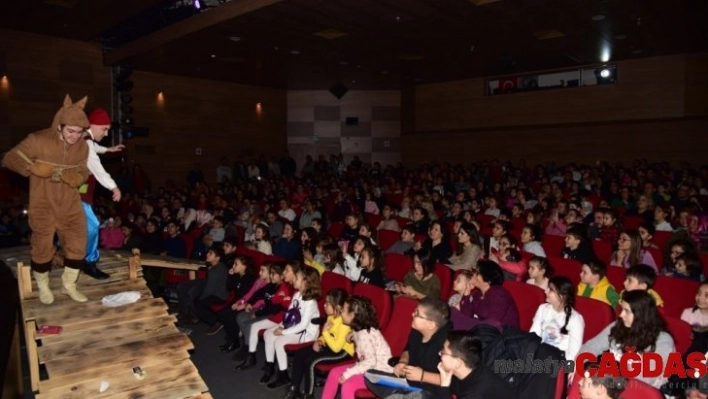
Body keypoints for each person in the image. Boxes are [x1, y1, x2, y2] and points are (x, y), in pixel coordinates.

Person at [2, 94, 91, 304]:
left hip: (70, 205)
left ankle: (69, 285)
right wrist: (31, 167)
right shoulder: (38, 140)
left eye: (79, 132)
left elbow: (84, 171)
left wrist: (77, 177)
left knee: (78, 244)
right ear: (59, 126)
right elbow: (8, 158)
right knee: (42, 248)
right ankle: (43, 286)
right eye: (70, 131)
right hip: (43, 205)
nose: (75, 136)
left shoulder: (83, 146)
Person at [577, 290, 675, 389]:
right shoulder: (619, 325)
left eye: (626, 311)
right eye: (622, 309)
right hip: (612, 384)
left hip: (641, 391)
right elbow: (592, 346)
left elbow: (644, 378)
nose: (621, 315)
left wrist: (603, 382)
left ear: (640, 315)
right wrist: (578, 366)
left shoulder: (662, 341)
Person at [365, 297, 453, 398]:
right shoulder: (417, 330)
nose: (412, 314)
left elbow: (451, 379)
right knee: (370, 375)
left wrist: (423, 376)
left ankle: (400, 394)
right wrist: (403, 362)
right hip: (408, 382)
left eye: (417, 314)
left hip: (429, 390)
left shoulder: (447, 343)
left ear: (431, 325)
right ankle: (400, 393)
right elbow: (407, 350)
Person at [78, 108, 125, 279]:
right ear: (93, 125)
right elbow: (97, 167)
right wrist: (114, 187)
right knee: (92, 226)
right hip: (77, 194)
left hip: (76, 192)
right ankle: (89, 262)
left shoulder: (83, 137)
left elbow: (93, 147)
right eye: (104, 129)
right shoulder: (86, 143)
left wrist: (109, 150)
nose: (106, 133)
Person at [284, 288, 353, 399]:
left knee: (311, 361)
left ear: (338, 308)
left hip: (342, 352)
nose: (324, 305)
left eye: (328, 303)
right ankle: (294, 389)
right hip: (329, 346)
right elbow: (327, 336)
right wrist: (319, 341)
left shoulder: (344, 324)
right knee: (300, 354)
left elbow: (336, 348)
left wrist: (324, 333)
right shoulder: (331, 317)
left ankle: (308, 395)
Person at [321, 296, 393, 399]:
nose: (341, 312)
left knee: (348, 386)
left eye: (344, 310)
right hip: (366, 366)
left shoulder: (365, 335)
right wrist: (352, 336)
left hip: (378, 373)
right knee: (333, 373)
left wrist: (347, 374)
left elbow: (370, 362)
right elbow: (359, 337)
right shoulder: (359, 328)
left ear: (352, 316)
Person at [261, 267, 321, 389]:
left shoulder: (311, 302)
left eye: (297, 278)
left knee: (279, 341)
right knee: (268, 334)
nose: (293, 279)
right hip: (295, 328)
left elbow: (303, 325)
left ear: (306, 282)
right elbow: (289, 314)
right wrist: (281, 326)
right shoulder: (297, 295)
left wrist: (283, 332)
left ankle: (283, 375)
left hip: (306, 334)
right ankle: (269, 367)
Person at [437, 331, 516, 399]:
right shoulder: (471, 371)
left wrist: (444, 387)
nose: (439, 354)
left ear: (458, 362)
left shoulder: (475, 392)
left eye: (443, 352)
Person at [530, 276, 585, 360]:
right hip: (539, 355)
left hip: (558, 361)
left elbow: (573, 352)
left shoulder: (575, 319)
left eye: (551, 290)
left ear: (562, 296)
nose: (545, 291)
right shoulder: (543, 308)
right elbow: (533, 335)